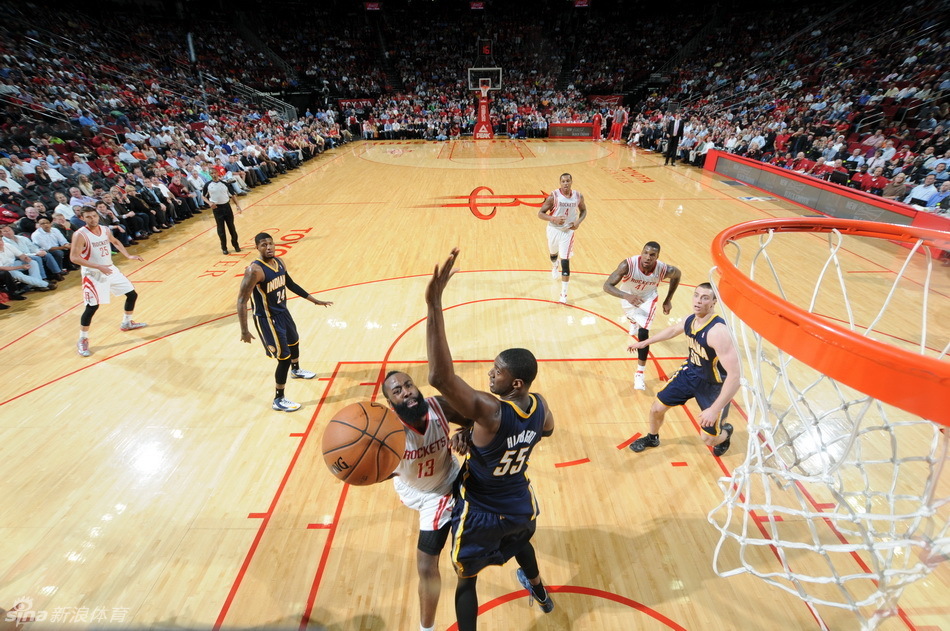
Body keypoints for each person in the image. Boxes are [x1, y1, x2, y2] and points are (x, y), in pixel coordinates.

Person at [425, 248, 556, 631]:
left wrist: (434, 304)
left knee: (466, 581)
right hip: (519, 504)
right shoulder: (540, 406)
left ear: (515, 383)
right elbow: (546, 431)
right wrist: (475, 434)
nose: (489, 374)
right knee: (520, 543)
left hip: (480, 510)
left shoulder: (490, 411)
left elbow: (439, 378)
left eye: (497, 372)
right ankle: (541, 594)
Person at [382, 371, 470, 631]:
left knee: (425, 565)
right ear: (390, 403)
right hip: (409, 487)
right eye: (397, 391)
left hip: (441, 490)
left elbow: (477, 419)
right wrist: (373, 471)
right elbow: (371, 470)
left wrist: (466, 432)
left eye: (408, 385)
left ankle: (426, 628)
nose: (406, 391)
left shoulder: (439, 407)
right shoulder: (387, 430)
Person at [627, 283, 739, 457]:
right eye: (696, 295)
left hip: (714, 385)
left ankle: (726, 434)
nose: (698, 301)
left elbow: (736, 376)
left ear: (714, 302)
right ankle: (652, 438)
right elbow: (672, 330)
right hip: (690, 373)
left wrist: (714, 410)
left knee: (709, 440)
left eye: (705, 298)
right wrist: (645, 342)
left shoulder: (718, 332)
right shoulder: (690, 320)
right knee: (656, 408)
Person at [236, 232, 333, 412]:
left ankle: (296, 370)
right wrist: (244, 330)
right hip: (268, 319)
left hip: (283, 312)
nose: (269, 247)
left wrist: (315, 300)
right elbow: (242, 300)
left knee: (294, 341)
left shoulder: (280, 262)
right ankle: (278, 399)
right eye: (264, 245)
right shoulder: (254, 270)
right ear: (257, 247)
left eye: (270, 244)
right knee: (283, 358)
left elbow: (291, 284)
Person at [603, 241, 682, 390]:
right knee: (632, 317)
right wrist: (626, 296)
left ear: (657, 257)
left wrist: (668, 299)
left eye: (652, 255)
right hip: (628, 296)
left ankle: (639, 373)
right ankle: (633, 320)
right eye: (645, 253)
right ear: (641, 252)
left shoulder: (664, 269)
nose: (647, 257)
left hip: (648, 299)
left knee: (643, 333)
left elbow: (677, 276)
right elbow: (606, 286)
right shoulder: (627, 265)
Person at [69, 206, 146, 358]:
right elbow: (74, 258)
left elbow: (115, 241)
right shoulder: (80, 234)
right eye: (88, 217)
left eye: (94, 216)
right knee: (92, 307)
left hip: (110, 268)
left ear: (98, 216)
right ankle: (82, 339)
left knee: (132, 294)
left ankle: (127, 323)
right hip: (93, 274)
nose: (92, 219)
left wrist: (128, 255)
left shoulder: (104, 229)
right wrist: (98, 266)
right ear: (82, 218)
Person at [537, 173, 587, 303]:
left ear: (571, 182)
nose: (566, 183)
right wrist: (554, 218)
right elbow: (540, 214)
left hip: (567, 232)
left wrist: (578, 222)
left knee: (565, 260)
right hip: (553, 229)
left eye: (568, 181)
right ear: (560, 183)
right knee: (553, 254)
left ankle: (563, 294)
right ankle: (554, 265)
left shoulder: (578, 196)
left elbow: (584, 211)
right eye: (563, 181)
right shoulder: (553, 196)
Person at [204, 172, 242, 255]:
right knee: (221, 229)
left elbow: (233, 195)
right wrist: (210, 203)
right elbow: (203, 196)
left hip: (227, 207)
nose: (214, 175)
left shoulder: (224, 183)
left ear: (218, 174)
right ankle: (224, 248)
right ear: (210, 175)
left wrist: (238, 205)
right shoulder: (208, 185)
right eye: (212, 173)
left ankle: (236, 245)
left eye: (215, 173)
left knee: (232, 227)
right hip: (217, 209)